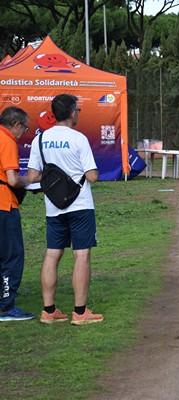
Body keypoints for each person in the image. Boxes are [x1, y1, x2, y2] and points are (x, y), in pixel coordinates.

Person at [27, 94, 103, 325]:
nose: (78, 113)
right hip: (80, 205)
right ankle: (80, 313)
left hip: (54, 206)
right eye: (77, 110)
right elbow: (92, 176)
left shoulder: (40, 140)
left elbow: (32, 176)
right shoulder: (79, 139)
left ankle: (49, 311)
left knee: (52, 254)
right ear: (72, 113)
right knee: (81, 255)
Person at [0, 107, 35, 322]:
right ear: (16, 124)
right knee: (12, 256)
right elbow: (12, 179)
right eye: (25, 127)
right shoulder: (7, 140)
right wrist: (28, 183)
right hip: (4, 205)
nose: (24, 132)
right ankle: (6, 306)